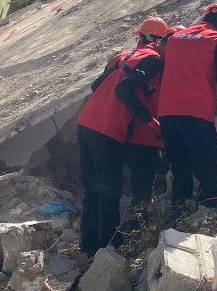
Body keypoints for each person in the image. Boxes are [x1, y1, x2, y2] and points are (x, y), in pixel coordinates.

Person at [76, 17, 169, 255]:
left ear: (140, 36)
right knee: (109, 190)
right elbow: (124, 89)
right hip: (108, 130)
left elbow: (96, 86)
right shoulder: (154, 59)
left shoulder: (122, 57)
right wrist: (149, 120)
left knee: (92, 189)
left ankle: (88, 246)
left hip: (86, 123)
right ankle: (108, 248)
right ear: (159, 41)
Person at [158, 3, 217, 209]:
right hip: (196, 114)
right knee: (212, 174)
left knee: (181, 172)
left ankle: (177, 221)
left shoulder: (175, 38)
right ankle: (202, 222)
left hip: (167, 115)